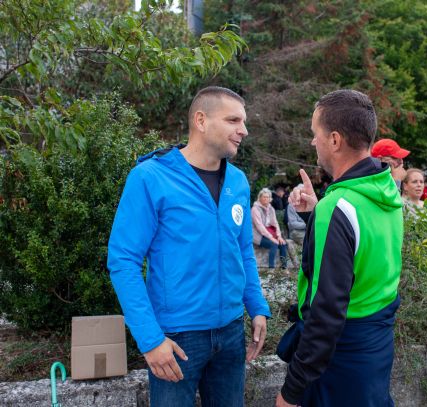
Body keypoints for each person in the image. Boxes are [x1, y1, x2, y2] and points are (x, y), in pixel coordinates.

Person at [107, 87, 270, 407]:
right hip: (177, 340)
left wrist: (258, 306)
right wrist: (150, 340)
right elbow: (123, 261)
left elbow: (243, 251)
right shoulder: (150, 177)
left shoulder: (238, 181)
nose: (244, 130)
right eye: (234, 120)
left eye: (244, 121)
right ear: (201, 120)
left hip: (231, 333)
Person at [276, 90, 403, 407]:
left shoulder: (339, 208)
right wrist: (315, 215)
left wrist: (291, 392)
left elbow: (326, 314)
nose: (312, 142)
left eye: (314, 133)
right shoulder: (386, 191)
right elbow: (364, 251)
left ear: (334, 140)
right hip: (375, 352)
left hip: (339, 363)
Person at [252, 188, 288, 268]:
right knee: (274, 244)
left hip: (269, 233)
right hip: (258, 235)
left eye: (267, 197)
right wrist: (272, 238)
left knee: (283, 243)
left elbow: (275, 223)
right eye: (264, 197)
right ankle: (271, 268)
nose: (266, 199)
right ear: (260, 198)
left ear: (270, 199)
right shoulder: (255, 209)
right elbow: (260, 227)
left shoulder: (271, 208)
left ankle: (284, 267)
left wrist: (279, 236)